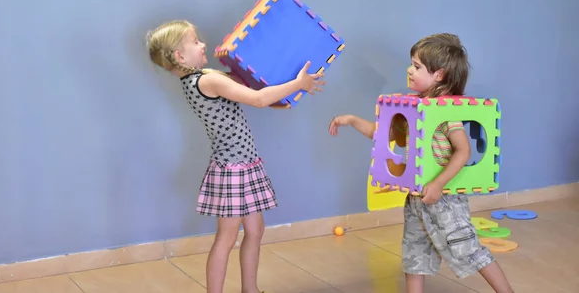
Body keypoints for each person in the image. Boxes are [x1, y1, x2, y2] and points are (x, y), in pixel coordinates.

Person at [146, 20, 325, 293]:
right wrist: (298, 83)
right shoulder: (208, 79)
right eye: (195, 41)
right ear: (179, 56)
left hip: (243, 164)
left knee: (255, 230)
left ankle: (249, 290)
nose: (202, 43)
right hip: (233, 169)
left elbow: (251, 91)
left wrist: (275, 93)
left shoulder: (196, 79)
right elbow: (258, 99)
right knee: (227, 237)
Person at [328, 33, 514, 293]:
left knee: (467, 247)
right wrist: (351, 120)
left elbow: (463, 150)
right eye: (412, 64)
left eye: (416, 66)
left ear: (439, 74)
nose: (409, 70)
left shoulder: (445, 113)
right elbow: (385, 135)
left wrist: (438, 184)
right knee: (415, 254)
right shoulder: (413, 108)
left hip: (444, 197)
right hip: (416, 197)